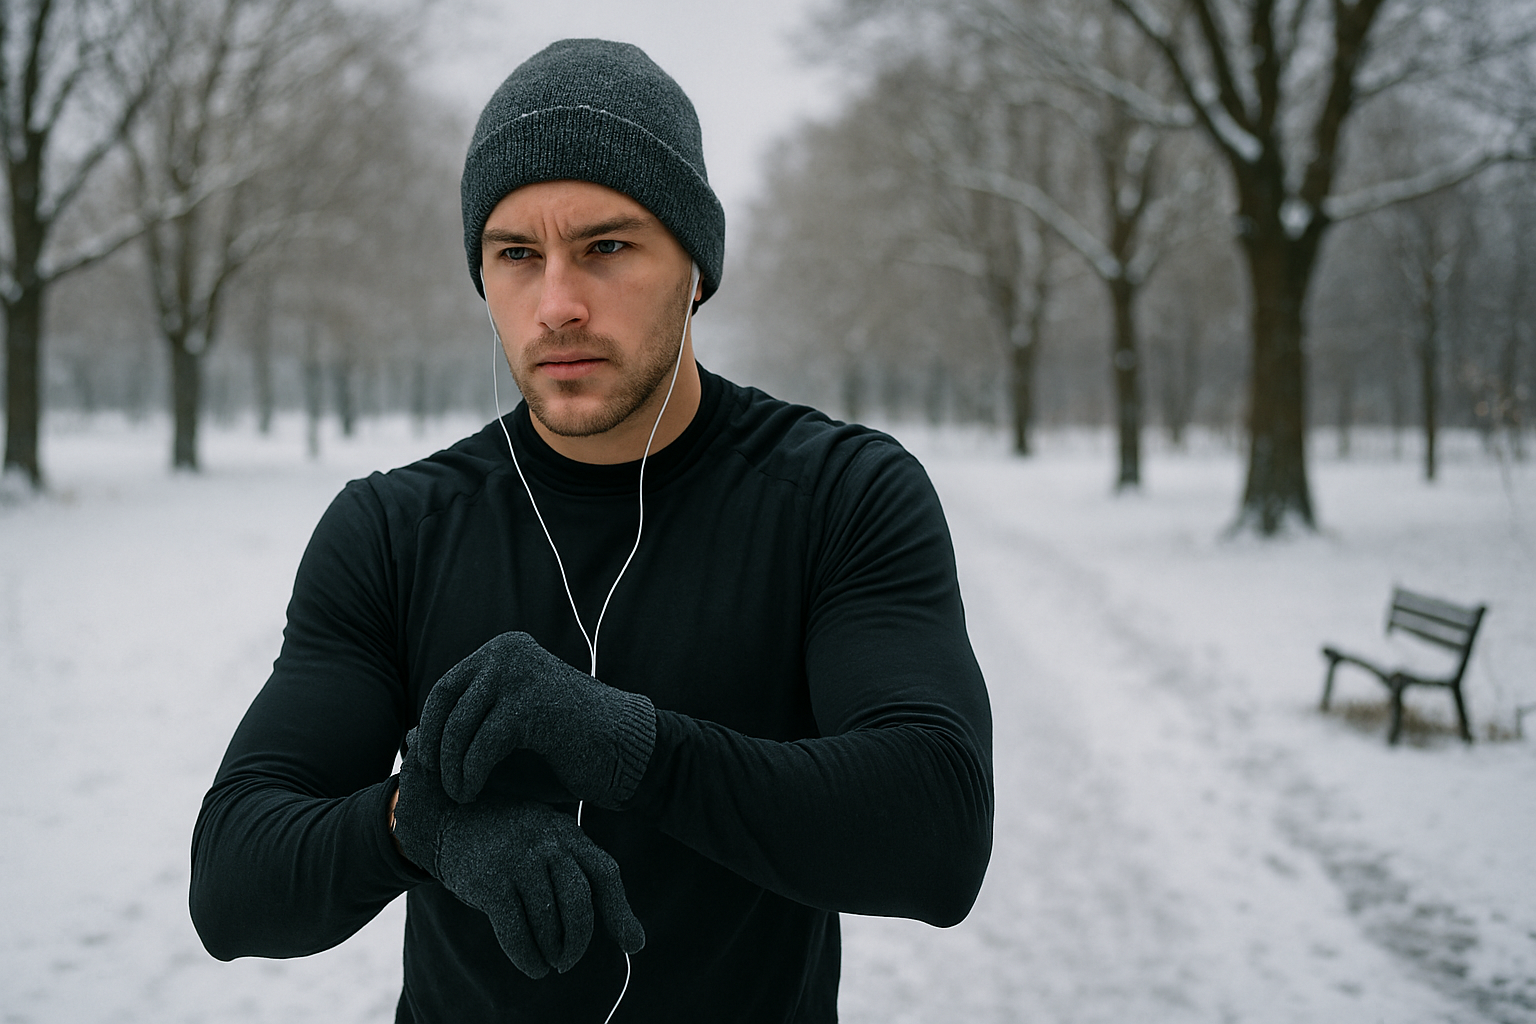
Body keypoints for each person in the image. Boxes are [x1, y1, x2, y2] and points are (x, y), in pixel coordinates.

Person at [190, 38, 993, 1023]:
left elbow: (937, 834)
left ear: (695, 266)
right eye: (517, 256)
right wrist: (411, 828)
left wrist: (629, 744)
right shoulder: (394, 529)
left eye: (607, 247)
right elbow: (230, 882)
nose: (558, 304)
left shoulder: (840, 494)